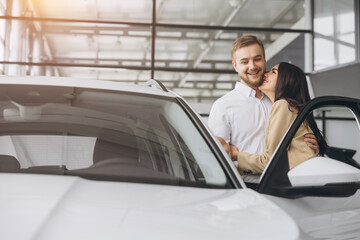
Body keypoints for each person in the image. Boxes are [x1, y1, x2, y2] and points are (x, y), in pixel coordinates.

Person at [208, 35, 318, 159]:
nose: (252, 66)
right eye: (245, 62)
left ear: (264, 60)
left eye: (257, 59)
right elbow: (216, 153)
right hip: (245, 178)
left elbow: (298, 140)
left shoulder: (282, 100)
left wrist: (311, 145)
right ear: (235, 66)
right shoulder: (223, 105)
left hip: (286, 176)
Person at [231, 62, 327, 174]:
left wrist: (237, 156)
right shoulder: (290, 108)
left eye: (273, 72)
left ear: (287, 80)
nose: (265, 74)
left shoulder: (283, 105)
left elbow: (271, 163)